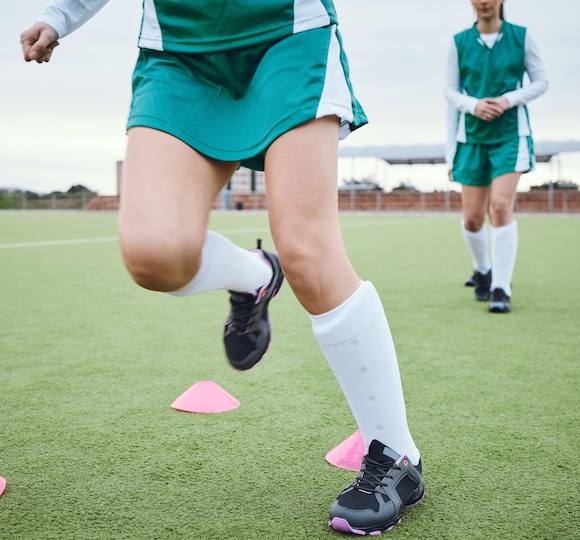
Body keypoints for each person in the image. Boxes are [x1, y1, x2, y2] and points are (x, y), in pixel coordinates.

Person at [21, 1, 424, 534]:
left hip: (287, 33)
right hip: (179, 52)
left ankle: (396, 456)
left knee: (308, 252)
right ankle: (255, 275)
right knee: (153, 255)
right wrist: (60, 15)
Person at [445, 0, 548, 313]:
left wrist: (507, 99)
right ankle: (483, 271)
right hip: (471, 139)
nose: (484, 1)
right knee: (473, 218)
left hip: (510, 137)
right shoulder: (459, 42)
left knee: (500, 207)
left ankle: (501, 288)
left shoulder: (522, 36)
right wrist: (473, 106)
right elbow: (450, 92)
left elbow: (541, 81)